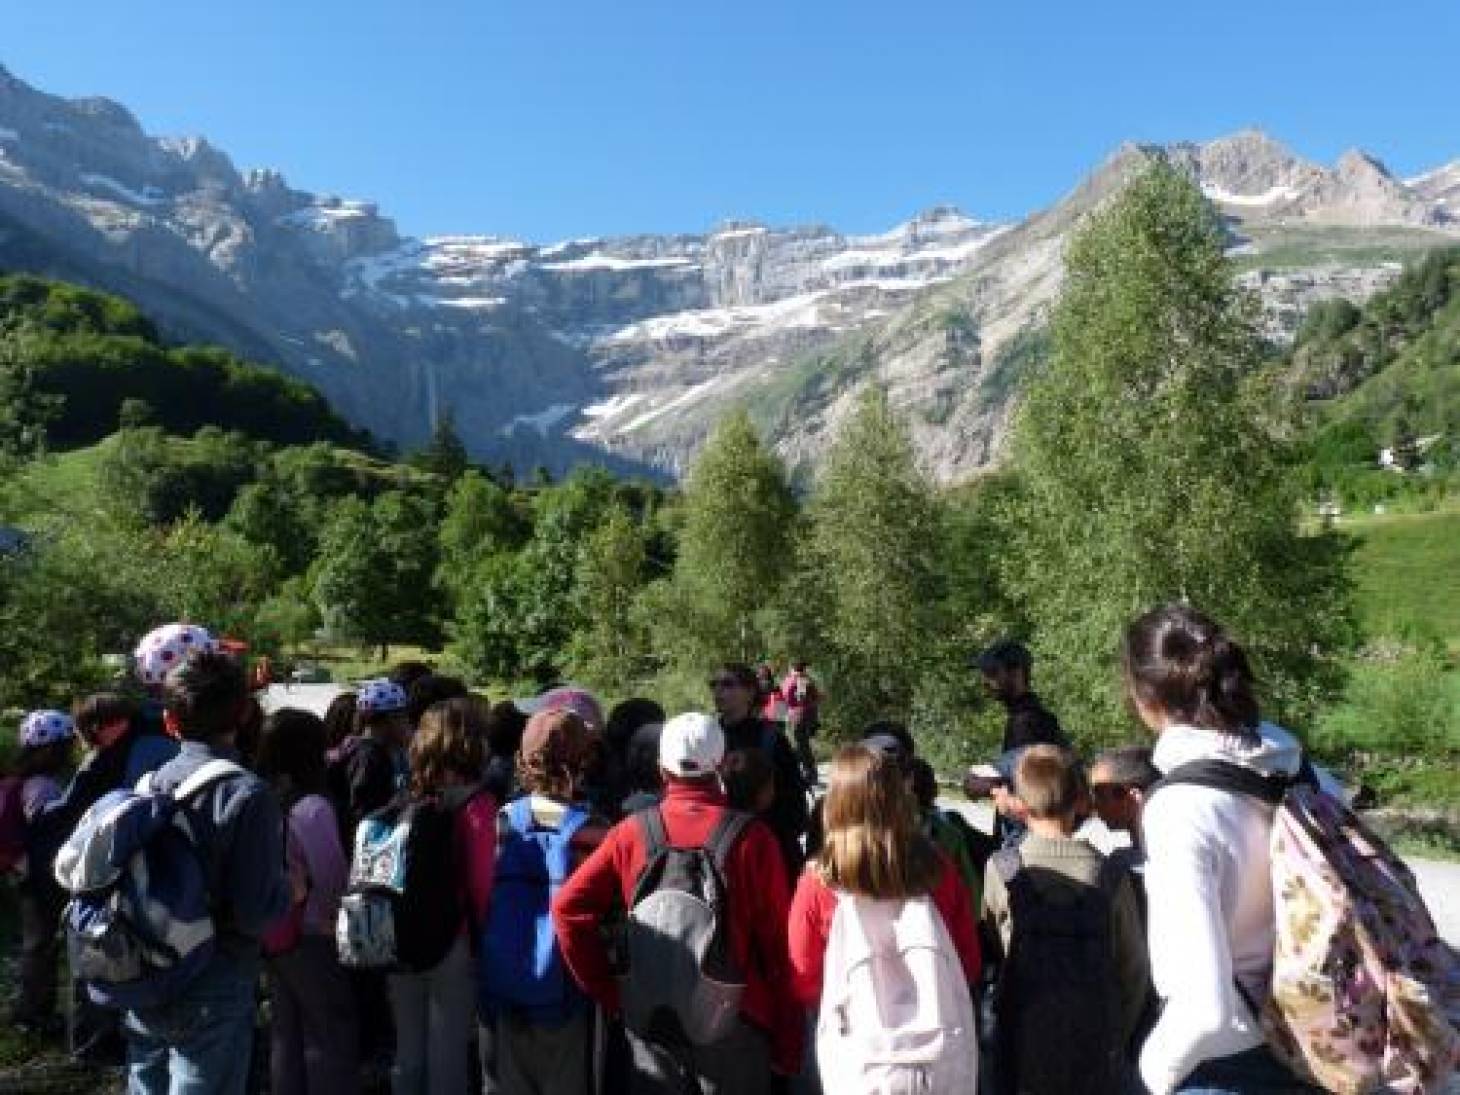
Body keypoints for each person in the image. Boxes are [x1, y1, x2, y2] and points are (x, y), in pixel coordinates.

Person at [1123, 604, 1324, 1094]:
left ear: (1142, 694)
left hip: (1231, 1061)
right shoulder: (1308, 776)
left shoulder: (1180, 807)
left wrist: (1152, 1076)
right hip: (1323, 1041)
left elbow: (1203, 1007)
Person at [552, 712, 804, 1094]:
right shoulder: (754, 838)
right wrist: (788, 1042)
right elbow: (780, 950)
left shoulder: (632, 831)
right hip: (737, 1018)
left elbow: (567, 909)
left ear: (662, 769)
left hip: (650, 1017)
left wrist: (609, 990)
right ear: (720, 765)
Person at [122, 647, 289, 1095]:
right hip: (215, 975)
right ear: (244, 714)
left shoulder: (147, 784)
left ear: (169, 722)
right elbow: (254, 913)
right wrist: (289, 890)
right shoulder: (246, 793)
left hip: (145, 967)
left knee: (145, 1080)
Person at [788, 745, 981, 1089]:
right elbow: (967, 961)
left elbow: (804, 974)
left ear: (834, 804)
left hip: (860, 1057)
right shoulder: (938, 869)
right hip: (935, 1054)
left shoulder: (817, 881)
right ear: (900, 797)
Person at [981, 744, 1149, 1095]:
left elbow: (996, 946)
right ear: (1081, 800)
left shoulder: (1002, 868)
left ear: (1020, 804)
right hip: (1095, 1046)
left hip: (1022, 1041)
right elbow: (1132, 969)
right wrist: (1117, 1033)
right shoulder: (1110, 875)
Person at [478, 709, 611, 1095]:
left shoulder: (501, 822)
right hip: (567, 990)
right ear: (583, 762)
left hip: (502, 983)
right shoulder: (596, 831)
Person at [387, 698, 498, 1095]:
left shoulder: (408, 792)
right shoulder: (478, 804)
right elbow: (482, 883)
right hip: (454, 939)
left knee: (408, 1047)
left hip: (398, 933)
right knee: (448, 1046)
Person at [254, 708, 358, 1095]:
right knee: (330, 1028)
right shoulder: (313, 808)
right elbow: (331, 877)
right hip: (314, 932)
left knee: (286, 1030)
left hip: (274, 930)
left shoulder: (262, 797)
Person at [9, 710, 77, 1036]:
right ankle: (32, 1015)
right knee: (42, 945)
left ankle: (33, 1010)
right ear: (53, 748)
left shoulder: (23, 780)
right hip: (41, 878)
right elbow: (46, 831)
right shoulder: (43, 786)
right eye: (66, 744)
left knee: (38, 944)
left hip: (27, 875)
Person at [710, 663, 809, 882]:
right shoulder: (705, 737)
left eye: (727, 684)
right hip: (718, 851)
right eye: (713, 685)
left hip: (768, 853)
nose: (717, 691)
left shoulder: (771, 739)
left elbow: (796, 809)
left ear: (750, 692)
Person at [976, 640, 1068, 753]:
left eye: (992, 672)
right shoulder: (1034, 717)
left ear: (1016, 673)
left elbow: (1025, 770)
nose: (985, 681)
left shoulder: (1026, 722)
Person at [780, 662, 820, 787]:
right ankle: (808, 773)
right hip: (800, 715)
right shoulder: (800, 679)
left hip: (794, 715)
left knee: (801, 745)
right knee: (801, 745)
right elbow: (801, 698)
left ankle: (809, 774)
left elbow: (795, 698)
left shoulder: (789, 679)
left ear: (792, 668)